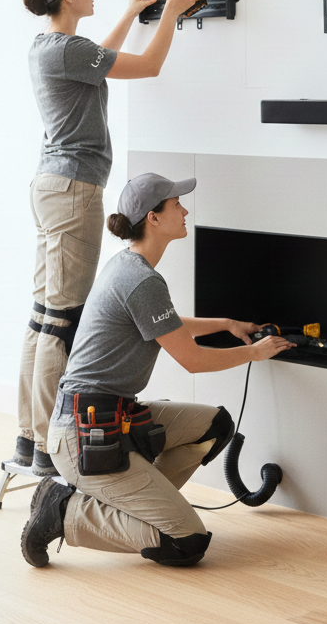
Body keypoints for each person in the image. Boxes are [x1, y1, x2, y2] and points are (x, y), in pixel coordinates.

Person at [20, 172, 294, 568]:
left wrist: (226, 324)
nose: (184, 210)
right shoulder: (141, 280)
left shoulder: (131, 268)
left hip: (110, 420)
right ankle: (63, 511)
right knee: (188, 544)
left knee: (215, 425)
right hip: (87, 437)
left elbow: (165, 323)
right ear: (153, 217)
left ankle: (144, 504)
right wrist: (255, 353)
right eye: (176, 205)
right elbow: (193, 360)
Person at [12, 0, 197, 477]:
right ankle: (51, 444)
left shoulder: (52, 48)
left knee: (44, 317)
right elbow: (149, 65)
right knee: (63, 319)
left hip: (53, 186)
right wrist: (172, 12)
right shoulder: (67, 51)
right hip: (73, 192)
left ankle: (30, 437)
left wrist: (137, 6)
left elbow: (101, 55)